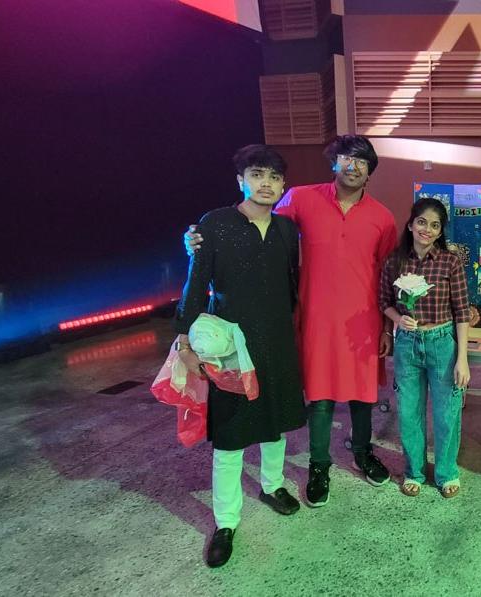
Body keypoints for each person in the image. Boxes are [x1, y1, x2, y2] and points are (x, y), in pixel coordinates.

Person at [186, 135, 397, 507]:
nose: (353, 166)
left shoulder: (382, 217)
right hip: (313, 319)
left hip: (362, 323)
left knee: (363, 396)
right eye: (346, 158)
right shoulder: (300, 198)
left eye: (362, 161)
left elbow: (385, 273)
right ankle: (319, 465)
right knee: (319, 396)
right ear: (333, 163)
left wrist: (386, 325)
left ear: (370, 171)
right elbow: (255, 225)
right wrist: (197, 242)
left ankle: (363, 453)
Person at [175, 144, 307, 567]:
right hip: (230, 344)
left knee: (275, 421)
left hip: (278, 341)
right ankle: (226, 521)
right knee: (231, 435)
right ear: (241, 181)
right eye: (256, 175)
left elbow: (292, 285)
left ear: (283, 185)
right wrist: (185, 340)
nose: (265, 183)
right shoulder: (215, 224)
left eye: (273, 177)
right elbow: (196, 285)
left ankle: (272, 485)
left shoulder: (288, 231)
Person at [379, 198, 470, 498]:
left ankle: (446, 472)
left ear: (441, 230)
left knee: (446, 413)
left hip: (443, 343)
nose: (427, 230)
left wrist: (463, 359)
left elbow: (462, 311)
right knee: (409, 412)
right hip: (407, 345)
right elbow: (383, 302)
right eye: (422, 222)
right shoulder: (395, 261)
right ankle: (413, 471)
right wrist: (398, 319)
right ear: (410, 224)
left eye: (434, 225)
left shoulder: (449, 261)